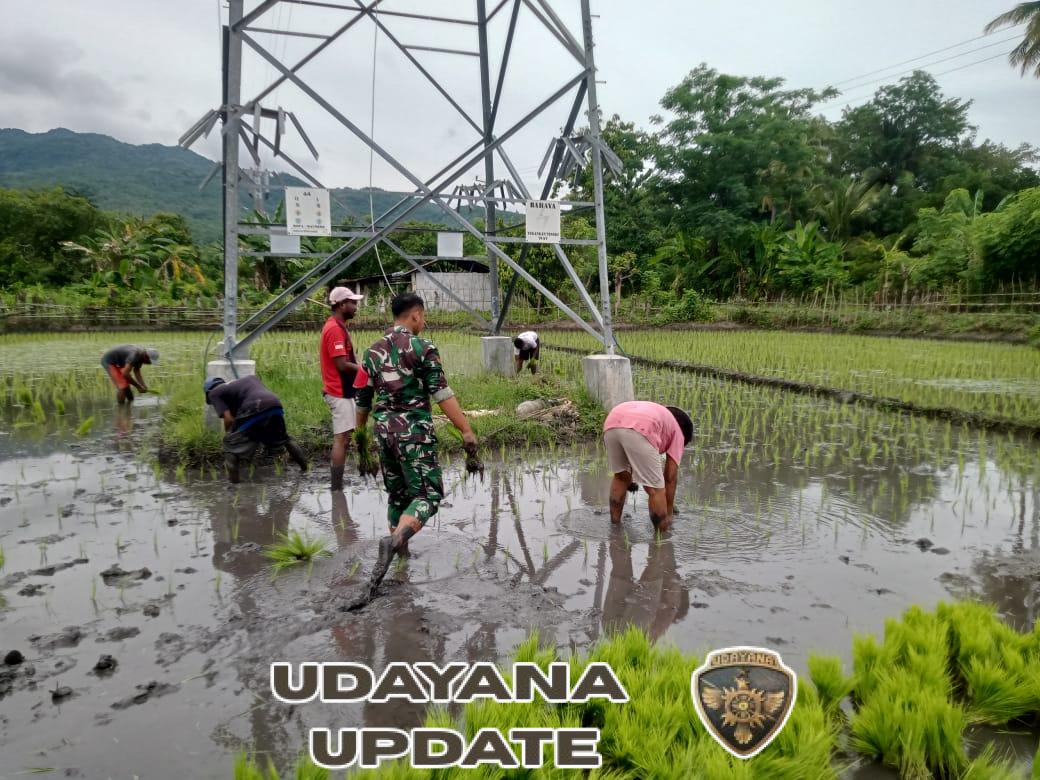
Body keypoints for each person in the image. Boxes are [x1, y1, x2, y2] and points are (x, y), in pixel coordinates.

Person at [355, 292, 479, 576]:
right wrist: (466, 430)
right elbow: (441, 393)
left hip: (383, 433)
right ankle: (394, 542)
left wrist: (360, 439)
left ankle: (401, 562)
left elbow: (362, 401)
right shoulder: (423, 348)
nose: (423, 322)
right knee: (428, 495)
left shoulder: (371, 352)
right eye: (423, 317)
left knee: (397, 496)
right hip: (414, 434)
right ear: (415, 315)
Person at [603, 400, 693, 532]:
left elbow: (632, 451)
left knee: (621, 477)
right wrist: (669, 512)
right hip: (642, 429)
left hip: (612, 421)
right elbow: (670, 476)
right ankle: (662, 537)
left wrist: (631, 480)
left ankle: (615, 528)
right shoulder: (678, 432)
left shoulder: (659, 414)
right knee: (656, 490)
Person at [203, 375, 309, 484]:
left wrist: (229, 434)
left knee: (229, 445)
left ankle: (234, 486)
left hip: (253, 407)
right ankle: (305, 469)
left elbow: (229, 419)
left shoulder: (213, 393)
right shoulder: (248, 379)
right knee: (285, 439)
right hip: (275, 404)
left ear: (208, 392)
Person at [320, 285, 365, 490]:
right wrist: (365, 369)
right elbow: (341, 365)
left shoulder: (338, 326)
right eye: (352, 303)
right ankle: (336, 488)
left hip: (344, 391)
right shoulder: (334, 329)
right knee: (341, 439)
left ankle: (337, 485)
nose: (356, 307)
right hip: (338, 391)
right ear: (341, 305)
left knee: (345, 438)